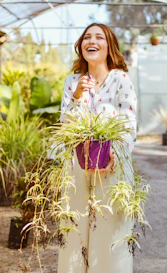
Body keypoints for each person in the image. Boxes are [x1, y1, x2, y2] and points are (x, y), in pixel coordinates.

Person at [58, 23, 137, 273]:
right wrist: (78, 96)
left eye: (99, 37)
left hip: (112, 168)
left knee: (109, 234)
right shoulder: (72, 81)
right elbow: (64, 124)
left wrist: (116, 153)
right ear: (81, 47)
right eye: (86, 37)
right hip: (77, 168)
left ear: (108, 46)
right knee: (75, 233)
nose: (91, 40)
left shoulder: (121, 79)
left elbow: (129, 122)